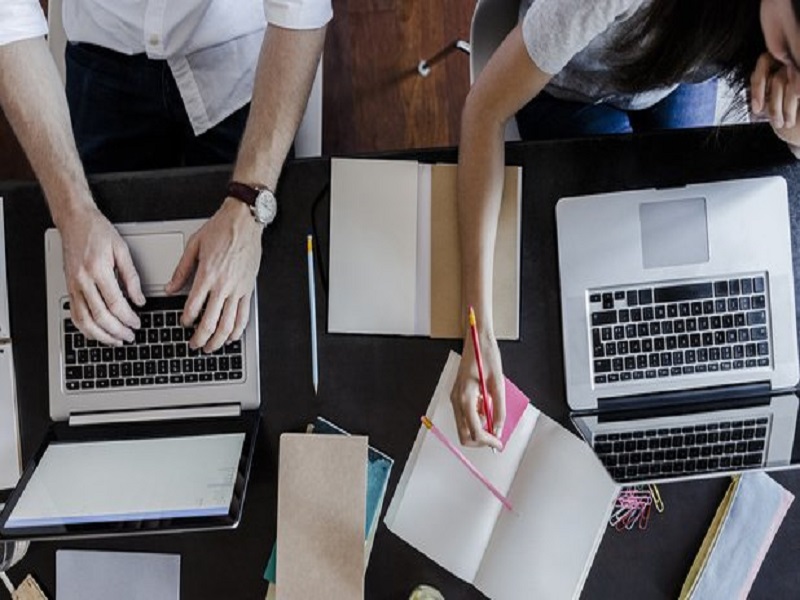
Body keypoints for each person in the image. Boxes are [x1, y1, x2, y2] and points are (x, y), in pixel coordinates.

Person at [451, 0, 800, 448]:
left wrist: (792, 127)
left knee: (675, 260)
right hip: (569, 85)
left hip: (681, 64)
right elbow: (483, 112)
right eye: (790, 52)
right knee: (605, 266)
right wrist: (478, 329)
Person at [0, 0, 330, 353]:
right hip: (103, 58)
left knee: (256, 324)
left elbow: (301, 9)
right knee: (101, 310)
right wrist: (72, 211)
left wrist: (249, 204)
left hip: (239, 61)